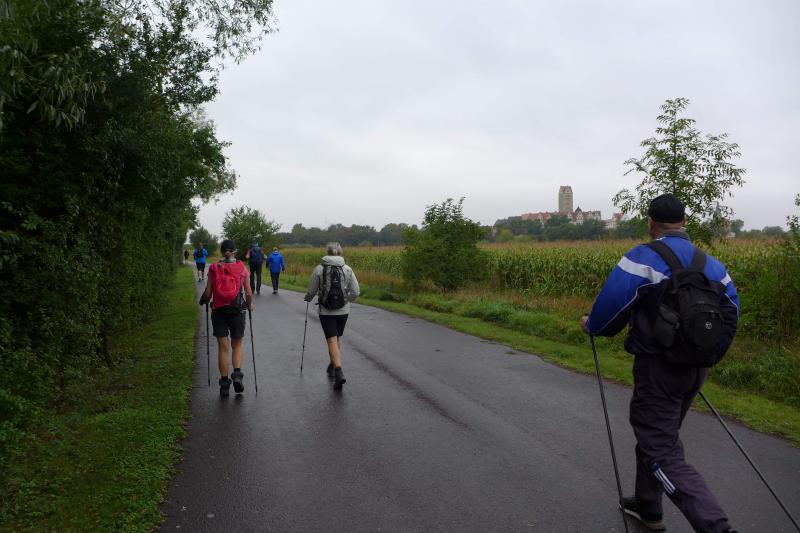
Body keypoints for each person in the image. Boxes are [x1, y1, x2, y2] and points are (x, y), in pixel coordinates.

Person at [581, 194, 740, 533]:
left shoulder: (643, 258)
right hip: (696, 371)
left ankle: (716, 527)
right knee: (658, 436)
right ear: (684, 222)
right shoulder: (713, 265)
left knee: (660, 449)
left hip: (657, 370)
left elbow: (610, 308)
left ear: (651, 223)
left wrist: (592, 325)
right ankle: (648, 506)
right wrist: (706, 356)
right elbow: (732, 314)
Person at [200, 239, 254, 397]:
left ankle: (224, 385)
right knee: (237, 344)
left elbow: (208, 293)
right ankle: (237, 375)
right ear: (235, 251)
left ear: (221, 252)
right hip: (237, 311)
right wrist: (249, 304)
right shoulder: (241, 267)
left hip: (219, 311)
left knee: (223, 348)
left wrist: (204, 300)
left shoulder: (214, 268)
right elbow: (248, 292)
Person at [304, 242, 360, 390]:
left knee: (331, 340)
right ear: (340, 253)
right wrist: (346, 301)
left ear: (327, 252)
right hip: (343, 311)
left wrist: (308, 298)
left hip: (326, 311)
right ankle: (333, 364)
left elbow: (311, 290)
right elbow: (356, 291)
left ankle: (338, 371)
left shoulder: (319, 268)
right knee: (336, 338)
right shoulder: (347, 269)